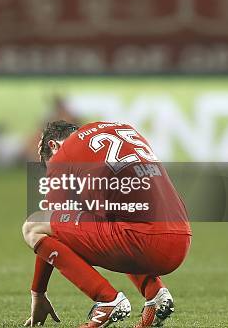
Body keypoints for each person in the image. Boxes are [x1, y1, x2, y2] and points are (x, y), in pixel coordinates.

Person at [22, 120, 191, 327]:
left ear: (53, 146)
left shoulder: (65, 155)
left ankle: (108, 301)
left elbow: (48, 228)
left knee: (32, 225)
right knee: (108, 219)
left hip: (145, 243)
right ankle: (155, 295)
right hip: (180, 238)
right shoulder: (121, 128)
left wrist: (38, 292)